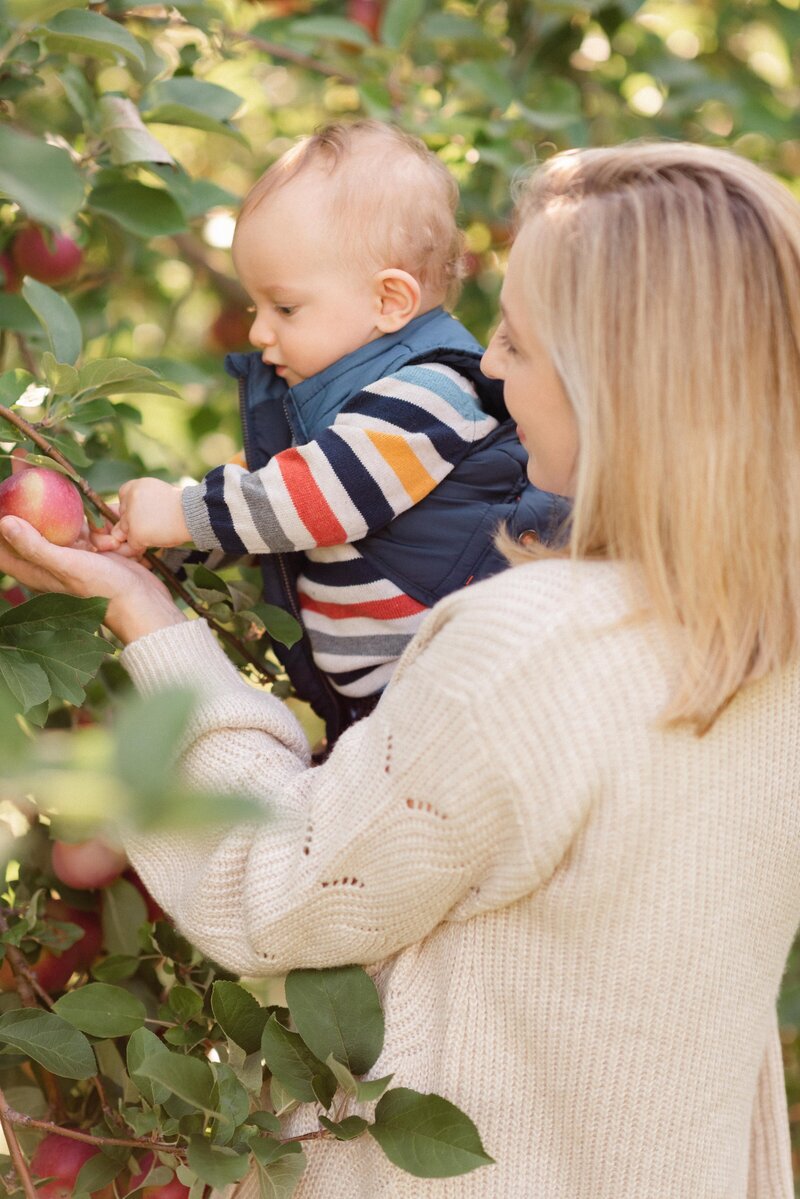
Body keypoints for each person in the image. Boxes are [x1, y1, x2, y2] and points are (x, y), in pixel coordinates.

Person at [2, 139, 800, 1198]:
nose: (490, 369)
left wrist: (146, 623)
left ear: (611, 379)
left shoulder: (526, 649)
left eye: (514, 339)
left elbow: (276, 890)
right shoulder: (762, 626)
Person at [98, 121, 568, 741]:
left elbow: (316, 500)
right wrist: (151, 546)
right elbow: (266, 509)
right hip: (389, 714)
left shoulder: (429, 394)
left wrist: (182, 511)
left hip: (459, 698)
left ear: (389, 302)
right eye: (252, 307)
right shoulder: (328, 406)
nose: (260, 332)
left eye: (284, 307)